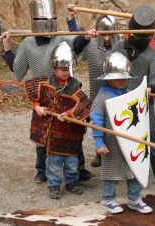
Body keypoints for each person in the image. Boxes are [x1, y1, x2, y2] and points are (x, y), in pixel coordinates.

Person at [1, 0, 97, 183]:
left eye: (51, 18)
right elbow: (16, 67)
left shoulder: (60, 38)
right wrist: (7, 46)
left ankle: (79, 169)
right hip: (42, 91)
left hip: (65, 88)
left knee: (72, 129)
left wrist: (86, 37)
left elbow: (76, 45)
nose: (47, 23)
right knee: (43, 132)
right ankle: (41, 170)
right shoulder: (28, 43)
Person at [111, 5, 155, 195]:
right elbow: (110, 73)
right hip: (121, 101)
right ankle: (117, 179)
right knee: (118, 140)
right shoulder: (118, 48)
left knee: (153, 140)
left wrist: (150, 88)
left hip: (143, 103)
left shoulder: (150, 53)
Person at [24, 42, 92, 199]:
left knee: (72, 162)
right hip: (51, 132)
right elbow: (35, 98)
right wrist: (37, 108)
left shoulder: (75, 85)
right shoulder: (44, 83)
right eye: (62, 69)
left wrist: (68, 113)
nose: (66, 72)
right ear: (53, 68)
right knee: (53, 162)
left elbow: (84, 104)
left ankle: (71, 182)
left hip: (69, 132)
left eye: (69, 69)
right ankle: (54, 185)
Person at [91, 52, 153, 214]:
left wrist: (144, 96)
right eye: (117, 76)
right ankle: (109, 200)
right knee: (112, 173)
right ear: (107, 77)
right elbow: (96, 123)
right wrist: (99, 143)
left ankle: (134, 199)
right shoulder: (101, 97)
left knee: (134, 171)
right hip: (112, 144)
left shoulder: (129, 95)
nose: (122, 80)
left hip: (131, 142)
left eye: (124, 77)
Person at [66, 4, 120, 167]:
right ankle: (99, 153)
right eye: (103, 34)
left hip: (116, 91)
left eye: (110, 34)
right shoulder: (91, 46)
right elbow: (75, 41)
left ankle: (116, 153)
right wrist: (71, 19)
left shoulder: (122, 47)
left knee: (116, 122)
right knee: (99, 121)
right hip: (98, 91)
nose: (106, 38)